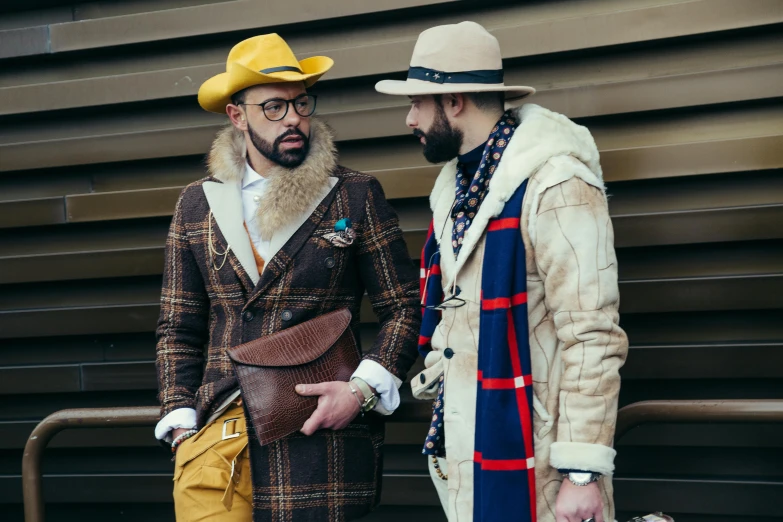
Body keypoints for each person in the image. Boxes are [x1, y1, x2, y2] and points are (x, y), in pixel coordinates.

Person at [155, 33, 421, 521]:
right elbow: (179, 325)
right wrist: (178, 415)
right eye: (274, 107)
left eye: (300, 103)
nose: (295, 118)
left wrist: (362, 389)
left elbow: (404, 306)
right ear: (238, 117)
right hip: (216, 432)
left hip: (318, 431)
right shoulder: (197, 202)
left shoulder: (354, 195)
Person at [376, 21, 629, 522]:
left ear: (453, 102)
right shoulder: (458, 189)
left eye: (416, 103)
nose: (409, 119)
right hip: (469, 443)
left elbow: (592, 335)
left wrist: (583, 471)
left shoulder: (556, 183)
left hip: (540, 457)